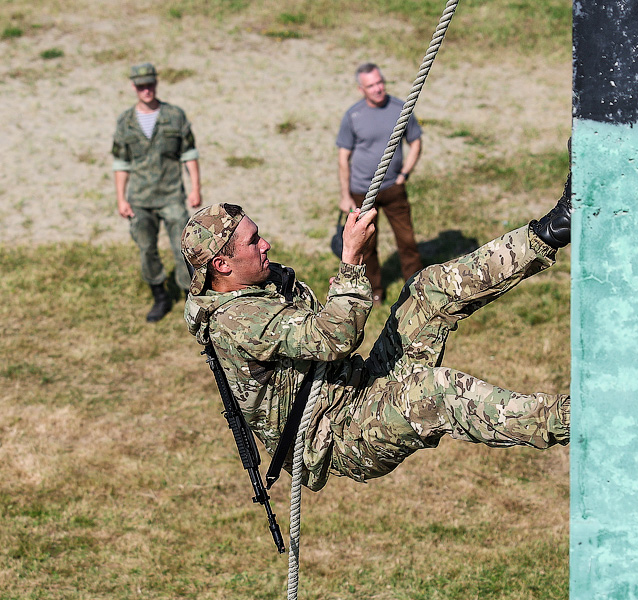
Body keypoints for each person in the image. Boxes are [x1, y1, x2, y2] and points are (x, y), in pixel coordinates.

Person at [181, 179, 573, 492]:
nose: (266, 244)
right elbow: (334, 337)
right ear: (222, 265)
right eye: (253, 242)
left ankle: (555, 228)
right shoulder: (236, 320)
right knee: (436, 395)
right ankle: (575, 419)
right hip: (341, 435)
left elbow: (312, 336)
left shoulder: (257, 286)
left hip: (359, 388)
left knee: (429, 290)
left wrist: (341, 296)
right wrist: (351, 263)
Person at [112, 62, 203, 322]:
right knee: (146, 249)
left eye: (150, 84)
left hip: (171, 194)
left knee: (183, 249)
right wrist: (121, 198)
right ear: (134, 87)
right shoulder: (126, 121)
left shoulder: (174, 115)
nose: (146, 90)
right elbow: (121, 163)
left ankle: (192, 299)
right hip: (140, 199)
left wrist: (195, 188)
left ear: (156, 83)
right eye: (141, 86)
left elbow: (189, 153)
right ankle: (160, 296)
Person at [336, 62, 424, 304]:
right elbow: (343, 157)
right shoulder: (353, 116)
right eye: (371, 85)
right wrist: (345, 195)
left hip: (394, 188)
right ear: (361, 89)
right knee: (367, 246)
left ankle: (416, 288)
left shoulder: (400, 109)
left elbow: (415, 141)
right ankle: (374, 290)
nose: (378, 88)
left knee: (407, 240)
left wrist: (404, 174)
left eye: (380, 82)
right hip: (362, 191)